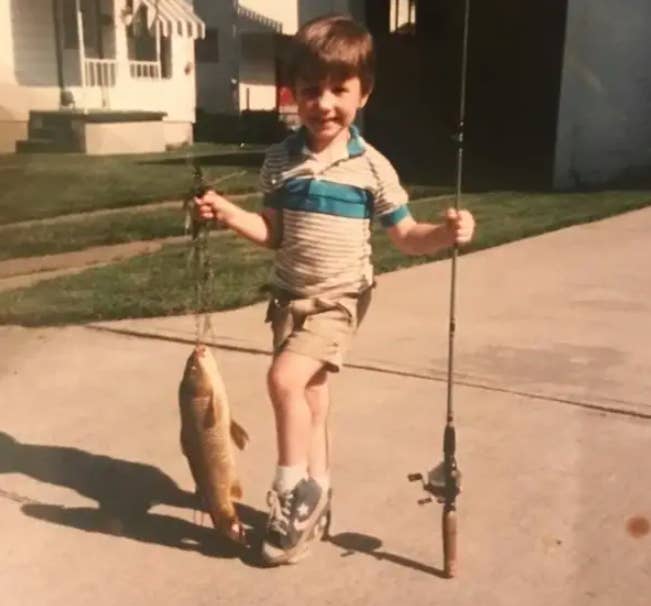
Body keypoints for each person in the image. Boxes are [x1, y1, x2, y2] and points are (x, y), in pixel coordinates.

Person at [194, 14, 475, 566]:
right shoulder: (280, 161)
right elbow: (273, 233)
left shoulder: (372, 168)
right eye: (309, 91)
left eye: (338, 90)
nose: (323, 103)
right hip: (289, 297)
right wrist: (228, 213)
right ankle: (319, 494)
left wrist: (445, 233)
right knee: (312, 403)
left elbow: (406, 236)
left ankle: (291, 492)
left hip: (339, 299)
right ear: (293, 94)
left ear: (363, 92)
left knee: (282, 381)